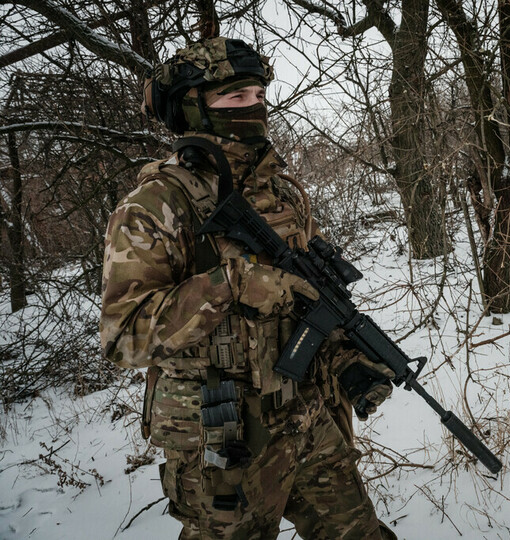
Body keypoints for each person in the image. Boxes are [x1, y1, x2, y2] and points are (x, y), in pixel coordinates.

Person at [100, 37, 396, 539]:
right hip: (222, 439)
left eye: (259, 95)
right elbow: (124, 337)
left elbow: (312, 303)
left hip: (305, 416)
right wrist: (230, 285)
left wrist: (348, 359)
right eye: (236, 96)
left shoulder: (280, 195)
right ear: (194, 108)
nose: (254, 107)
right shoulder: (154, 206)